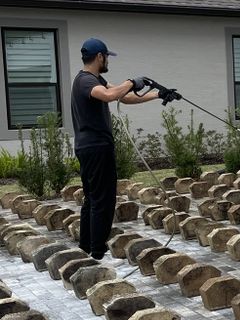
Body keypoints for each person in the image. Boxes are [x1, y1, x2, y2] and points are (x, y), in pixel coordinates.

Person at [71, 37, 179, 260]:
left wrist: (157, 94)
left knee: (93, 198)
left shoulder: (96, 79)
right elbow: (111, 95)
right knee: (103, 200)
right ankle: (96, 253)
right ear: (99, 57)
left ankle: (86, 248)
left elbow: (124, 97)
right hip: (96, 148)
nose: (108, 60)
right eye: (107, 56)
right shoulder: (85, 81)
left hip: (90, 148)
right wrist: (131, 80)